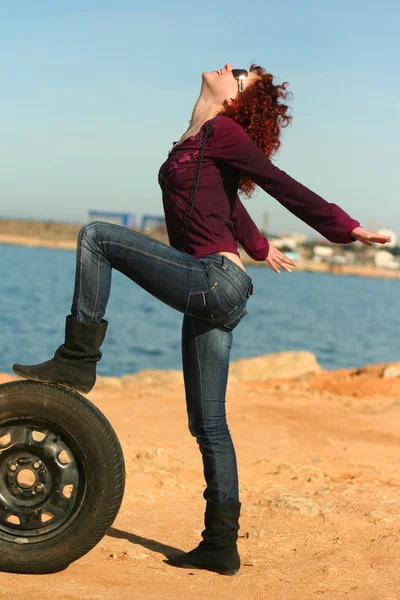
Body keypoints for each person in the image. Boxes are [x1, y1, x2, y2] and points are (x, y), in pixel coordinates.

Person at [12, 63, 391, 576]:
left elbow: (281, 184)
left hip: (214, 281)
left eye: (241, 76)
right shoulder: (198, 136)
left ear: (236, 101)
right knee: (208, 423)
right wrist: (259, 245)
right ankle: (220, 545)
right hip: (212, 284)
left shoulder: (223, 131)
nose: (228, 68)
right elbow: (226, 202)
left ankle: (79, 358)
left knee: (97, 237)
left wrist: (345, 228)